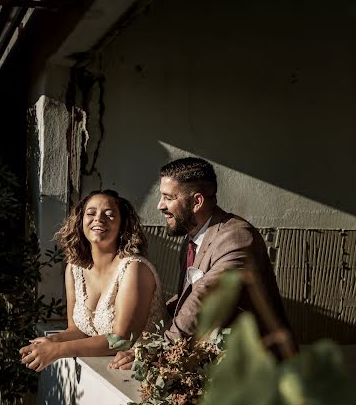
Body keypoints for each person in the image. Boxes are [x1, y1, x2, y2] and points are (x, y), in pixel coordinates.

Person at [111, 157, 293, 368]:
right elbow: (187, 297)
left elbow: (203, 299)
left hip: (258, 371)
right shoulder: (192, 238)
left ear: (197, 202)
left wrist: (157, 350)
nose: (160, 206)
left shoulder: (237, 237)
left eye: (168, 197)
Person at [20, 190, 167, 372]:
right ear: (80, 222)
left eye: (110, 214)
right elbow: (78, 330)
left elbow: (120, 339)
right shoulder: (74, 269)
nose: (99, 218)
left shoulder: (134, 268)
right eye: (91, 213)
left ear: (123, 225)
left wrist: (57, 350)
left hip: (146, 370)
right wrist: (51, 341)